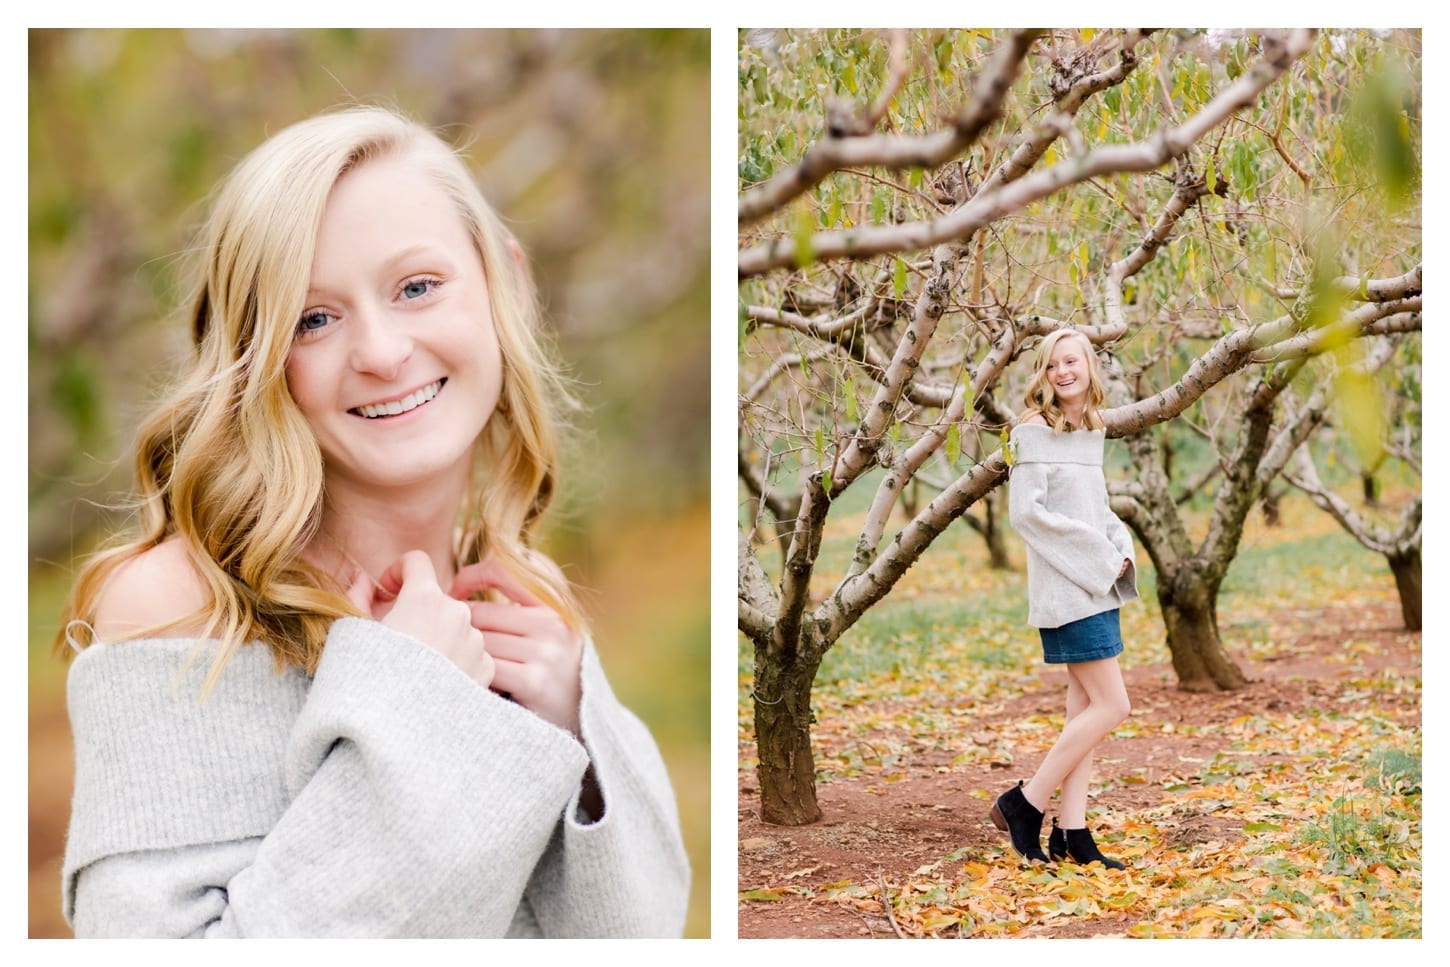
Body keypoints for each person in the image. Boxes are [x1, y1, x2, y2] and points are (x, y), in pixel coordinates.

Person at [55, 105, 690, 937]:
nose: (383, 352)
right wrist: (414, 703)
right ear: (257, 357)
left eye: (417, 287)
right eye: (314, 318)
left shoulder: (519, 601)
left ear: (508, 283)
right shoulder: (175, 607)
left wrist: (579, 730)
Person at [989, 328, 1136, 870]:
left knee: (1084, 712)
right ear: (1043, 374)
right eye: (1052, 365)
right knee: (1113, 706)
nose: (1062, 372)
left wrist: (1119, 549)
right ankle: (1024, 803)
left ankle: (1072, 833)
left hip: (1096, 585)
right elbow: (1027, 514)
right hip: (1067, 590)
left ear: (1088, 366)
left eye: (1071, 361)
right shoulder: (1032, 431)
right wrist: (1099, 558)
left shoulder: (1088, 429)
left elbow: (1096, 510)